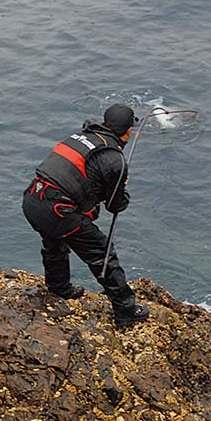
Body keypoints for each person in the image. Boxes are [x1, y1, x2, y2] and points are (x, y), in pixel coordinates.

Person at [22, 103, 149, 328]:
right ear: (128, 131)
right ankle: (126, 311)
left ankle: (59, 289)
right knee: (103, 254)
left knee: (54, 242)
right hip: (58, 210)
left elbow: (77, 175)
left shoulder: (80, 136)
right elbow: (115, 205)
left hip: (33, 199)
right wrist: (121, 189)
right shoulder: (115, 159)